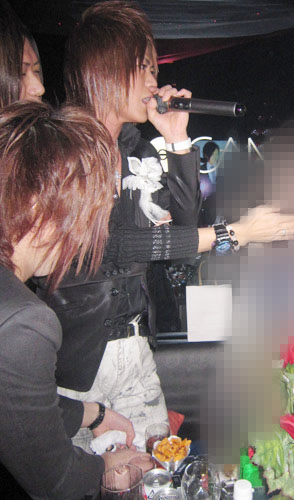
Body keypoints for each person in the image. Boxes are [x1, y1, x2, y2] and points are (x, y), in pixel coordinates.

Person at [38, 0, 294, 452]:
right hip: (78, 362)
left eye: (153, 68)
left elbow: (180, 233)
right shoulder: (61, 148)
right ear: (105, 68)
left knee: (160, 467)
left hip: (138, 348)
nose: (153, 80)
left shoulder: (139, 150)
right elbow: (108, 245)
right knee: (93, 475)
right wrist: (235, 233)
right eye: (143, 67)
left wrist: (178, 139)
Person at [0, 100, 152, 500]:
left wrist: (93, 413)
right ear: (40, 204)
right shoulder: (23, 320)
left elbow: (12, 407)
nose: (86, 237)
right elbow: (53, 480)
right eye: (86, 215)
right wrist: (111, 466)